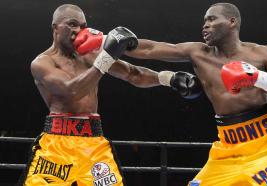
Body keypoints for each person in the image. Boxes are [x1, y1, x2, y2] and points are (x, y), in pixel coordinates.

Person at [125, 2, 267, 186]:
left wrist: (257, 77)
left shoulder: (263, 54)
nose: (205, 25)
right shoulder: (198, 53)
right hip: (228, 148)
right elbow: (151, 48)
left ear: (232, 22)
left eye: (212, 19)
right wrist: (106, 40)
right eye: (204, 21)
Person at [20, 4, 201, 186]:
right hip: (56, 146)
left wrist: (168, 78)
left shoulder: (91, 55)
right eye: (73, 24)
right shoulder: (42, 63)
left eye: (83, 26)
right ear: (55, 27)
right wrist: (106, 57)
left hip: (93, 144)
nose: (79, 30)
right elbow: (71, 90)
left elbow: (132, 73)